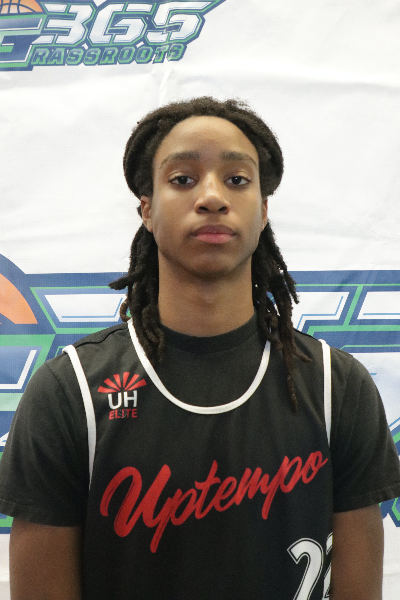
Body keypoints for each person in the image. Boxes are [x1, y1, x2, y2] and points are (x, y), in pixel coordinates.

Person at [0, 97, 399, 600]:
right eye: (183, 179)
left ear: (263, 211)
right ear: (147, 209)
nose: (212, 197)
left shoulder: (335, 388)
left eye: (237, 179)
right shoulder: (70, 393)